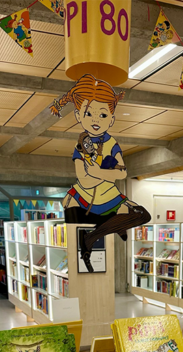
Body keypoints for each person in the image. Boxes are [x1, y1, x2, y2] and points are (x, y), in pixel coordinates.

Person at [48, 74, 150, 272]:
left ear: (111, 119)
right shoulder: (80, 147)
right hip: (84, 197)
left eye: (102, 115)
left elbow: (123, 172)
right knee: (72, 215)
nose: (95, 120)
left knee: (143, 215)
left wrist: (99, 172)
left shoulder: (112, 143)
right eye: (88, 114)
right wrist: (105, 172)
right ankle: (89, 247)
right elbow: (84, 180)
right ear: (78, 116)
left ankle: (93, 237)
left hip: (109, 195)